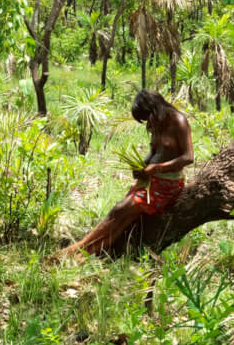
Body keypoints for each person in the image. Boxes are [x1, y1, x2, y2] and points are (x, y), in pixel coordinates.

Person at [62, 89, 194, 257]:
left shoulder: (178, 121)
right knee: (119, 215)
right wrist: (141, 166)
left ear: (155, 108)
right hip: (149, 183)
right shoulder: (156, 121)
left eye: (147, 117)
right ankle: (87, 250)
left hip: (168, 187)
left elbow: (188, 157)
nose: (148, 122)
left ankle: (77, 250)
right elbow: (154, 152)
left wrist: (157, 168)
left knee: (120, 210)